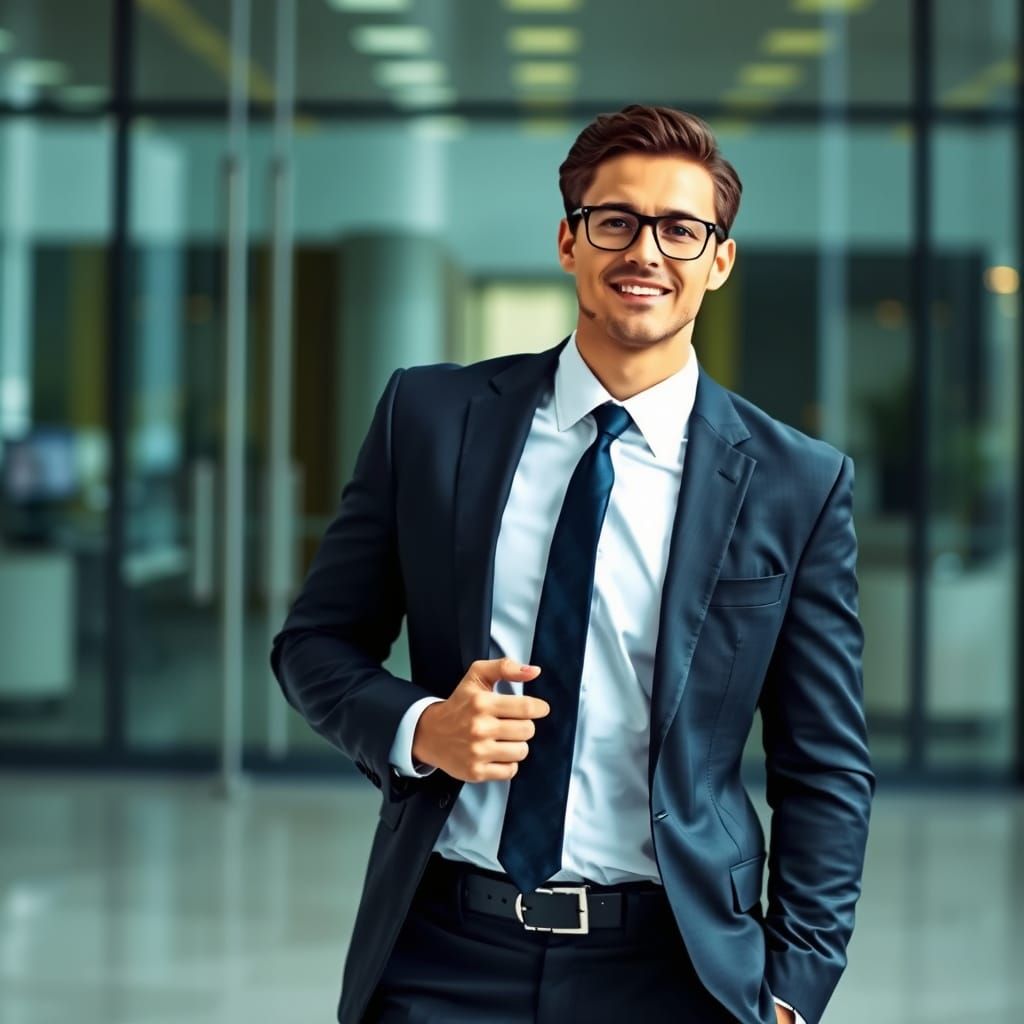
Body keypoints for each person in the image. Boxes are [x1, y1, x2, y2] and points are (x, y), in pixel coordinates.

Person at [271, 104, 874, 1024]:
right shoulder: (428, 421)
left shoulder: (796, 481)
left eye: (681, 229)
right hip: (442, 949)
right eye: (615, 221)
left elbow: (824, 759)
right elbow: (313, 644)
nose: (646, 252)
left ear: (719, 260)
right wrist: (420, 728)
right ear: (569, 241)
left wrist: (794, 986)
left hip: (676, 966)